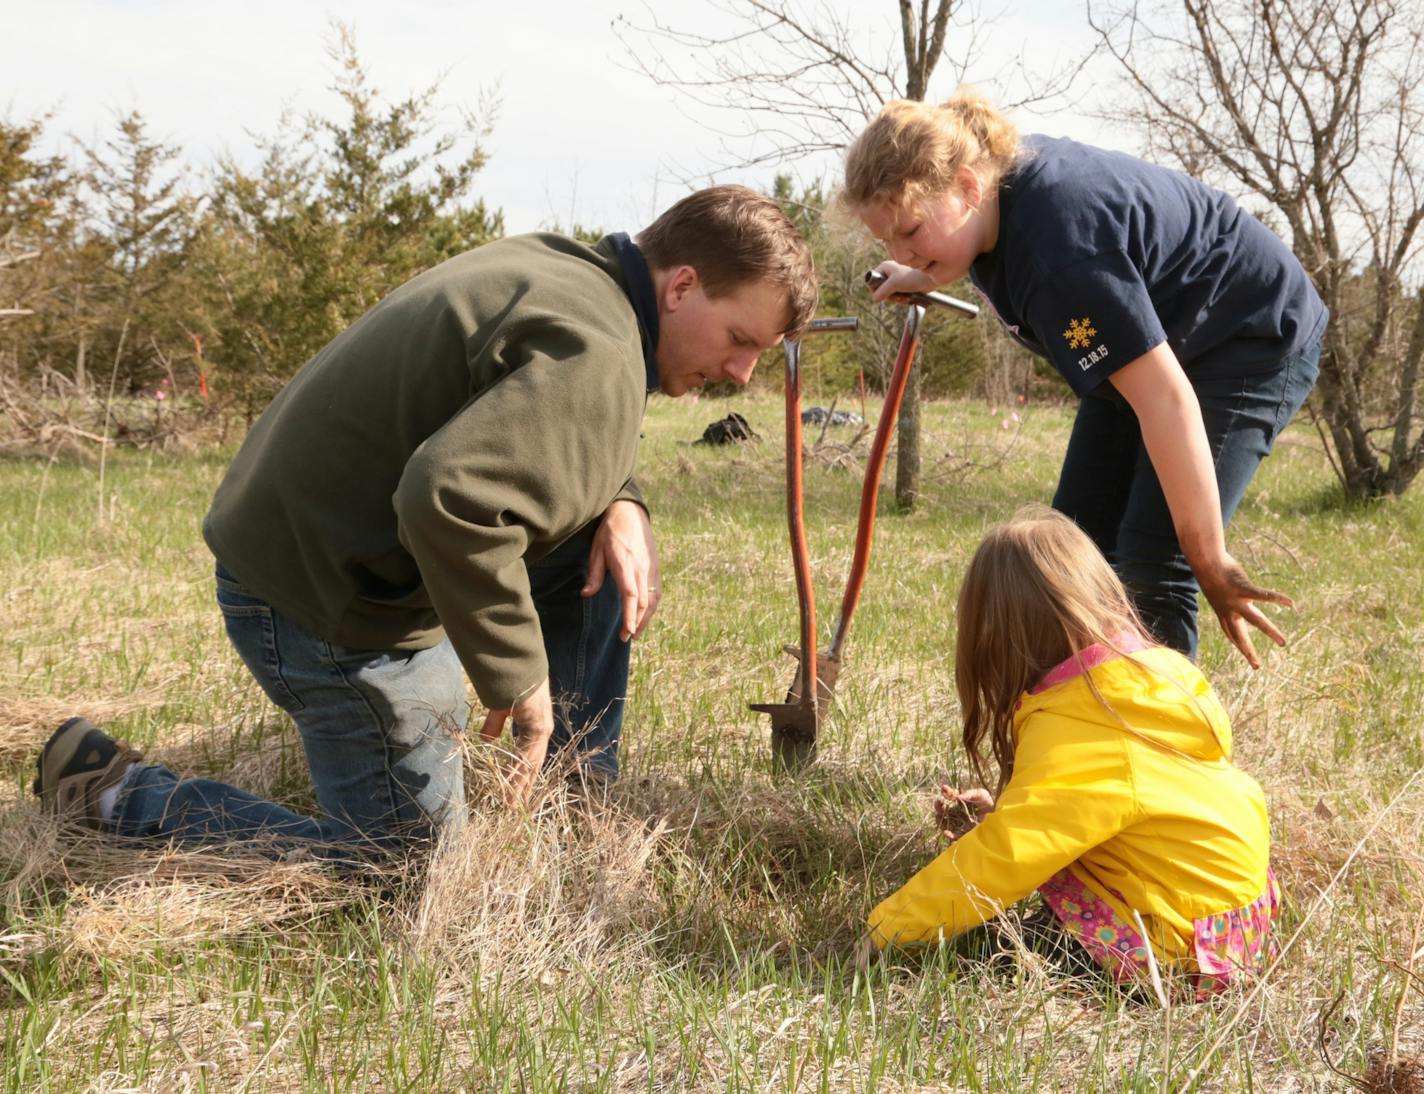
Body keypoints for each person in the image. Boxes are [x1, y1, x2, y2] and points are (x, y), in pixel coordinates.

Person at [33, 185, 817, 854]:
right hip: (323, 605)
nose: (741, 374)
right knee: (404, 875)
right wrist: (523, 682)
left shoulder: (572, 273)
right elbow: (449, 498)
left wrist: (620, 499)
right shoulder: (604, 357)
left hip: (313, 540)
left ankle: (570, 804)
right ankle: (115, 792)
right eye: (740, 339)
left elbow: (531, 431)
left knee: (599, 551)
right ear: (680, 288)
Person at [843, 91, 1327, 667]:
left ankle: (1166, 745)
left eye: (911, 231)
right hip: (1158, 343)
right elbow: (972, 243)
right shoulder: (991, 200)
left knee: (1154, 562)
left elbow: (1167, 399)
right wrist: (919, 269)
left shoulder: (1062, 252)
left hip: (1246, 338)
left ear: (969, 187)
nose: (902, 250)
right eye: (887, 241)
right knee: (1070, 550)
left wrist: (1210, 557)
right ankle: (1082, 717)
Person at [863, 508, 1279, 1000]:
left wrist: (888, 929)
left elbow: (1008, 856)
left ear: (998, 641)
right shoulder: (1159, 676)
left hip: (1174, 951)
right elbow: (1134, 809)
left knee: (1007, 956)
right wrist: (1004, 812)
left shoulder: (1083, 723)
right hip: (1236, 922)